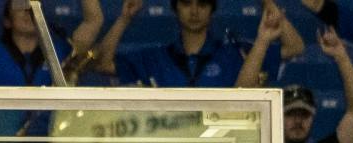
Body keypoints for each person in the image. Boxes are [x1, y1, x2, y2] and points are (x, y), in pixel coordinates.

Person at [99, 0, 302, 88]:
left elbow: (295, 47)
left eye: (202, 4)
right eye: (187, 3)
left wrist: (266, 2)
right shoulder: (155, 58)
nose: (194, 11)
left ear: (212, 10)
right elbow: (103, 63)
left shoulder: (236, 53)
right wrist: (124, 19)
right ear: (175, 8)